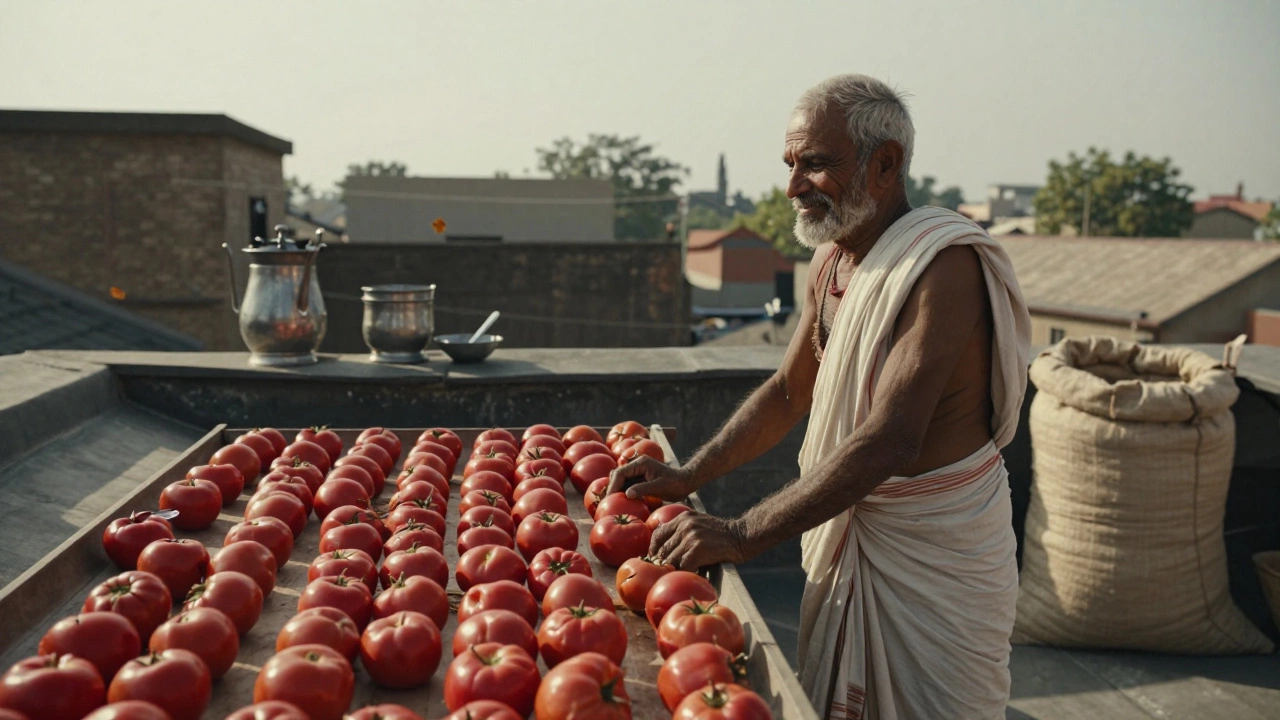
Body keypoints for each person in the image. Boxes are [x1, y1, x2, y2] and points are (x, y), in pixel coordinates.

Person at [608, 74, 1031, 720]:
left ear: (884, 163)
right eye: (790, 164)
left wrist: (741, 531)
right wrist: (690, 473)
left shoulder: (943, 269)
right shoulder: (832, 262)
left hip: (938, 564)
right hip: (864, 545)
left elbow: (892, 437)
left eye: (815, 164)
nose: (793, 186)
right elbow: (785, 392)